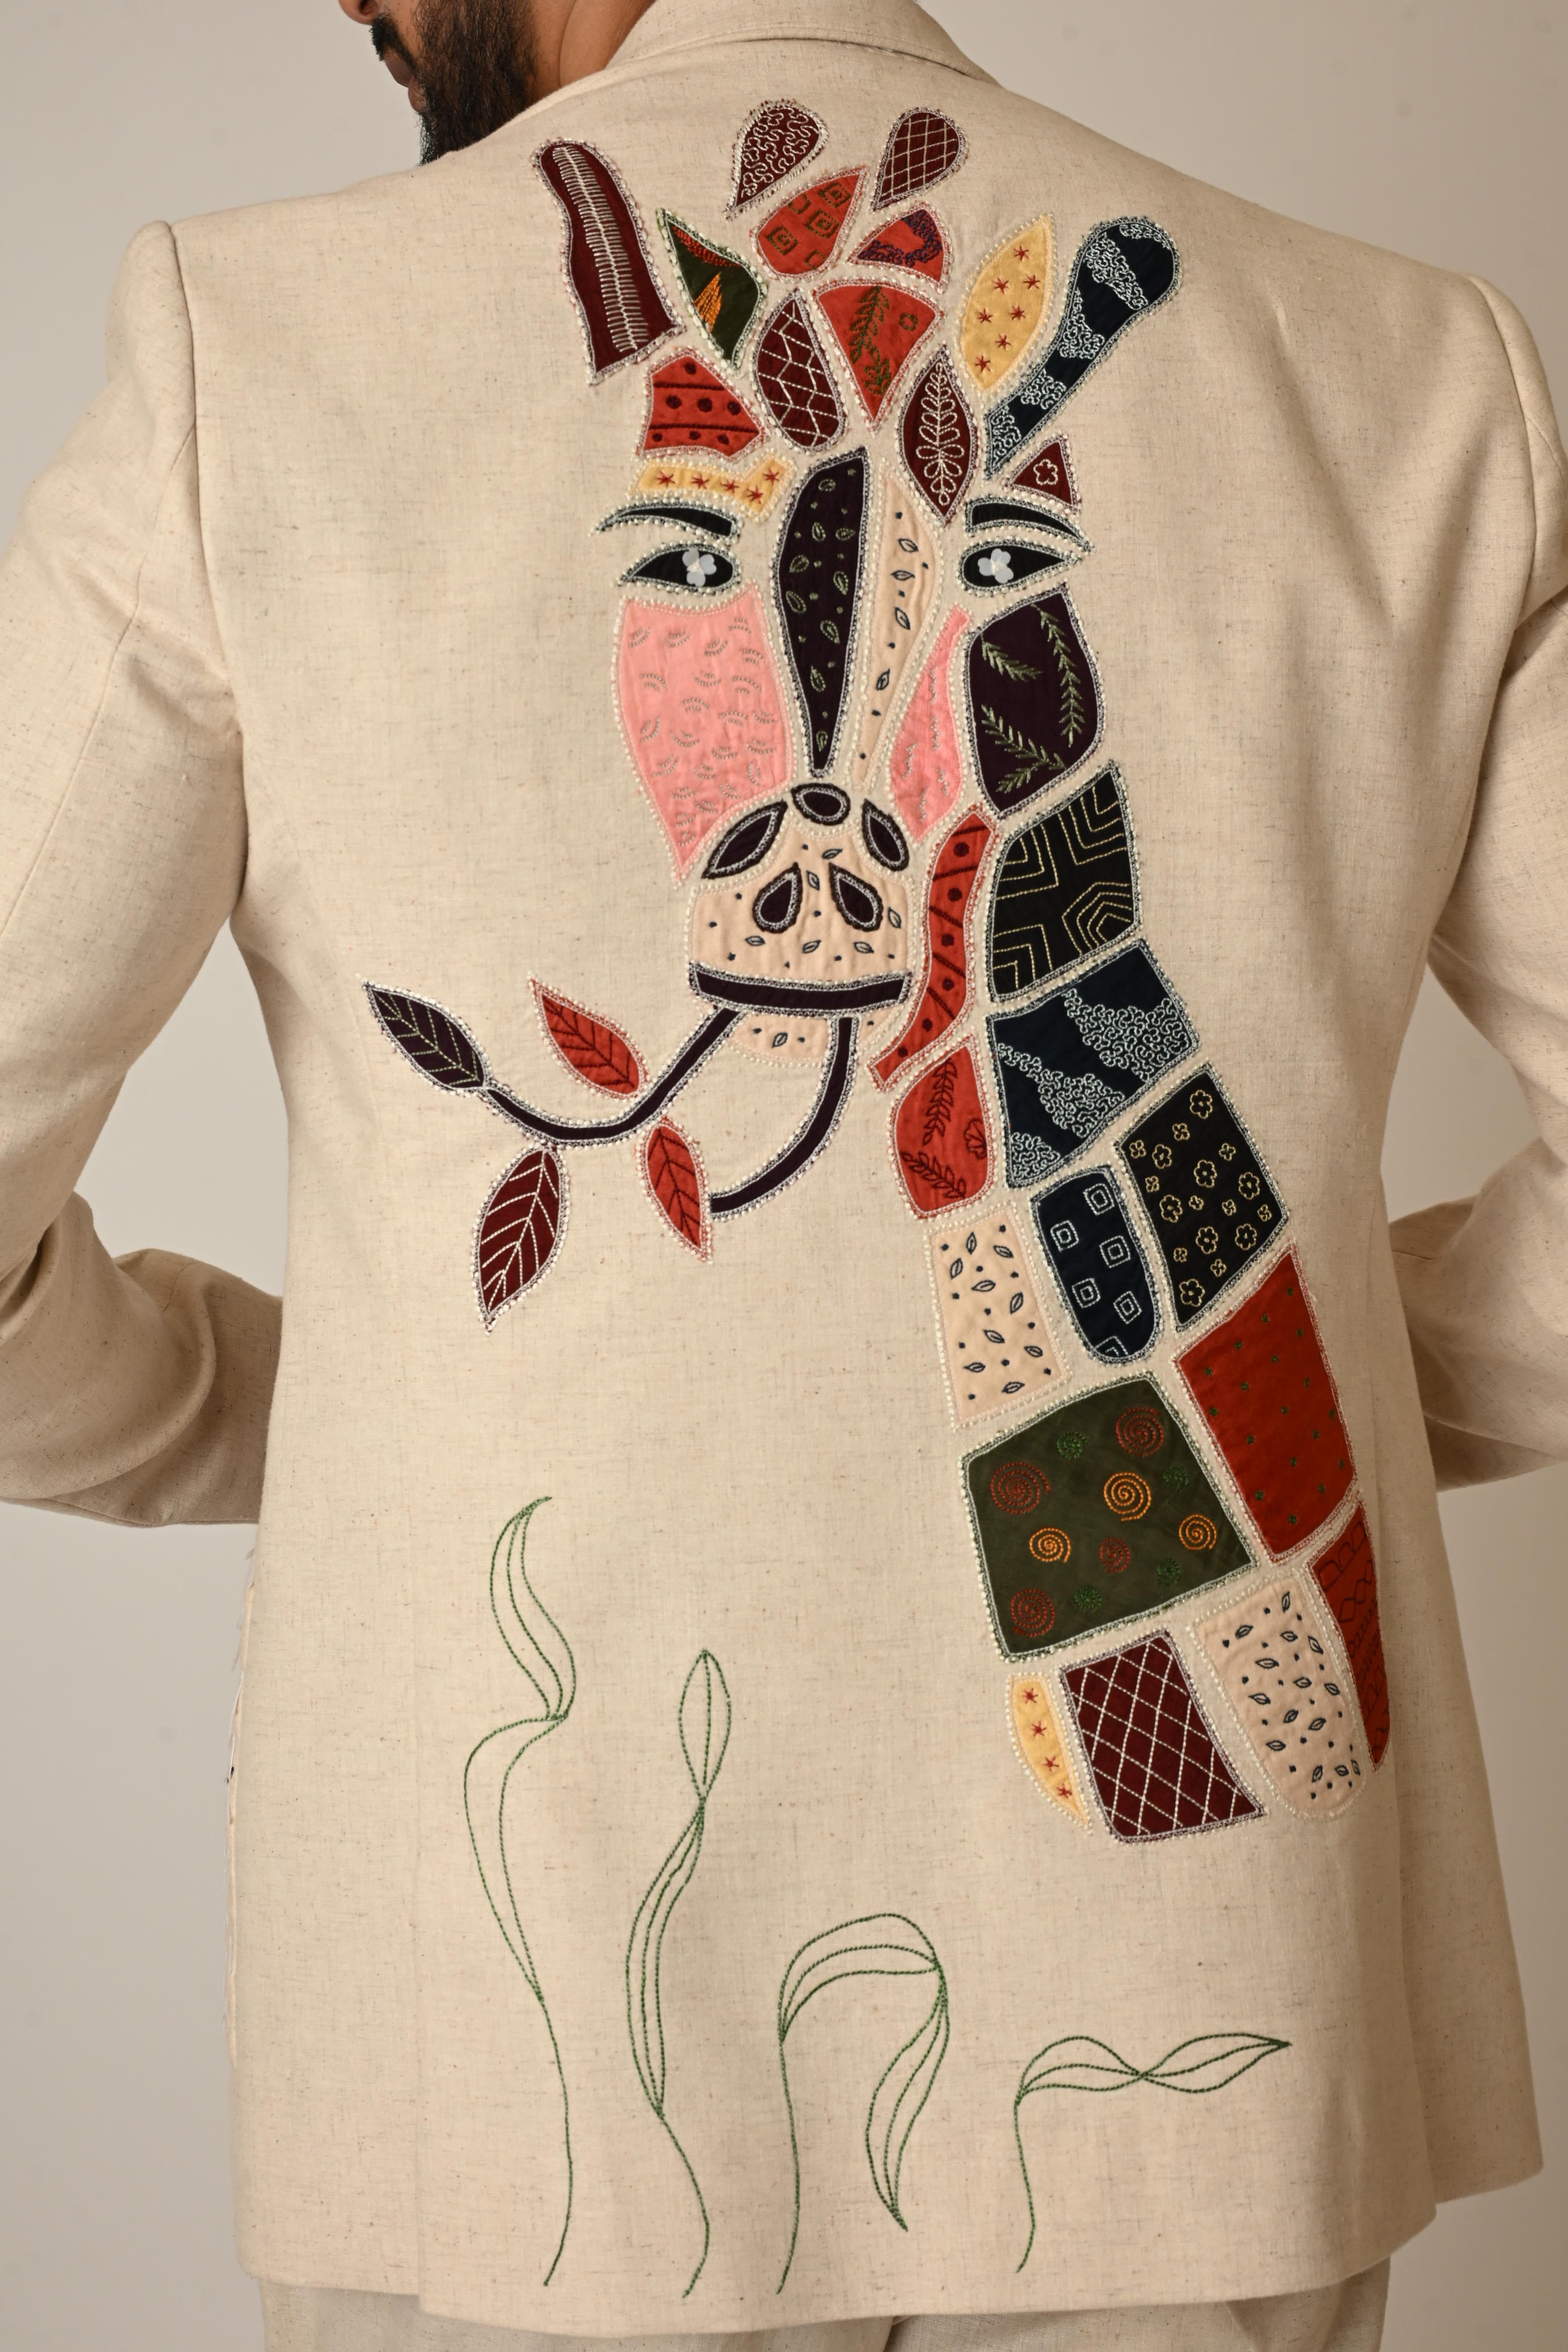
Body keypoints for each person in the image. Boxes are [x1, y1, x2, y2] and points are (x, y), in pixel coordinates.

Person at [1, 0, 1562, 2346]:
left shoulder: (261, 353)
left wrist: (258, 1416)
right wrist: (1310, 1373)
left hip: (529, 2111)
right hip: (1205, 2068)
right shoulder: (1404, 371)